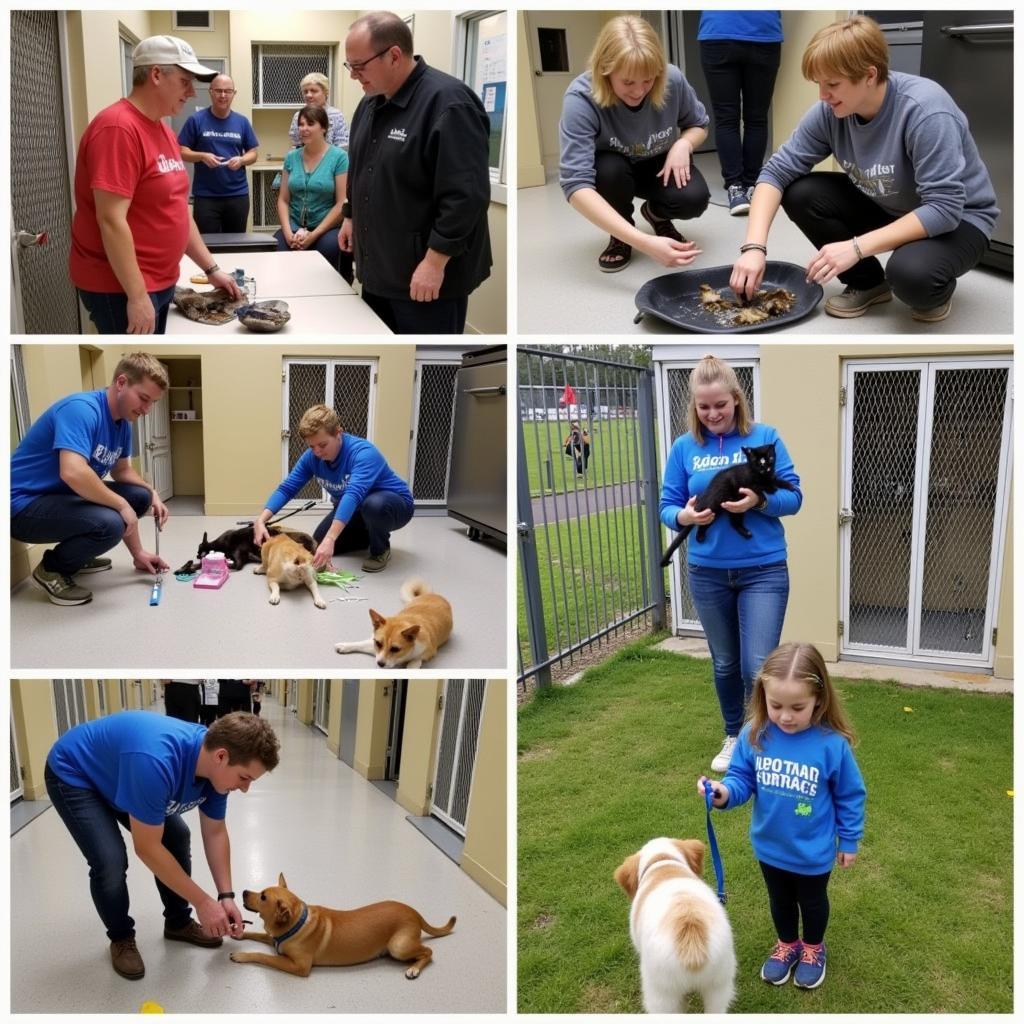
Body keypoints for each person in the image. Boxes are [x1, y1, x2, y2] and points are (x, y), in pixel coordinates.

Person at [731, 15, 999, 322]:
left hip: (961, 219)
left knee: (912, 277)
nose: (822, 96)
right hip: (895, 205)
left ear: (869, 75)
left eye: (832, 84)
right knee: (800, 191)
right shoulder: (828, 112)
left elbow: (944, 208)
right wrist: (753, 247)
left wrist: (855, 248)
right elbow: (776, 172)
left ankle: (929, 283)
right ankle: (869, 283)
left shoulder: (926, 110)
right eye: (819, 84)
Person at [45, 710, 280, 981]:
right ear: (221, 757)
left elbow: (215, 832)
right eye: (245, 778)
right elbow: (147, 848)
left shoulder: (215, 773)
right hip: (76, 773)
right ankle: (121, 937)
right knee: (110, 860)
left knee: (177, 836)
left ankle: (178, 922)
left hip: (123, 773)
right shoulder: (156, 761)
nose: (245, 789)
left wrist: (225, 896)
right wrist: (203, 902)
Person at [659, 354, 802, 772]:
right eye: (704, 407)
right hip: (707, 573)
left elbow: (793, 498)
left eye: (720, 404)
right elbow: (668, 506)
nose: (713, 413)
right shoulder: (685, 447)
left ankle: (762, 740)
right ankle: (732, 735)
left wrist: (760, 500)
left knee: (758, 664)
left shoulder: (765, 437)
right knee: (725, 661)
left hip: (764, 570)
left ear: (737, 400)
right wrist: (685, 518)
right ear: (694, 407)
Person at [698, 642, 866, 990]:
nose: (785, 716)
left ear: (819, 699)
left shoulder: (831, 744)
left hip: (812, 851)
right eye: (776, 705)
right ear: (762, 696)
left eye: (797, 707)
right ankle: (788, 944)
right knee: (780, 900)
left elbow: (850, 795)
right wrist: (723, 794)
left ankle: (813, 948)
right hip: (770, 846)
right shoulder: (755, 734)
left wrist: (848, 840)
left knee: (813, 901)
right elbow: (741, 779)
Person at [69, 35, 243, 334]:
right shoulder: (117, 128)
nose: (191, 93)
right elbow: (111, 220)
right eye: (185, 81)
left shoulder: (162, 129)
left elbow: (176, 209)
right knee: (137, 363)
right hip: (121, 287)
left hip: (160, 281)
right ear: (156, 75)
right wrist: (137, 296)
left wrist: (211, 269)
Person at [339, 11, 492, 334]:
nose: (353, 75)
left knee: (430, 371)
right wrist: (351, 215)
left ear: (394, 55)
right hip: (379, 270)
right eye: (349, 66)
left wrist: (435, 262)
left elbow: (466, 196)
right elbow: (361, 167)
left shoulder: (449, 103)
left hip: (427, 278)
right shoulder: (369, 105)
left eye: (359, 66)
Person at [11, 353, 172, 607]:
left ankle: (78, 554)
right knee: (111, 523)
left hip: (61, 495)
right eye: (143, 398)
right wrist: (121, 505)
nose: (146, 409)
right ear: (121, 383)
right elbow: (72, 472)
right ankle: (51, 570)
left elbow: (122, 472)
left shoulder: (122, 423)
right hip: (22, 506)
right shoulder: (81, 410)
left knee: (139, 497)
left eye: (153, 402)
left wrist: (151, 493)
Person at [559, 15, 709, 273]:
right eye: (627, 82)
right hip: (613, 171)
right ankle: (621, 232)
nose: (639, 91)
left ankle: (657, 215)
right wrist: (644, 242)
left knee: (693, 199)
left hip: (658, 163)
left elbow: (699, 125)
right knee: (609, 170)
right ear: (605, 72)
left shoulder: (672, 78)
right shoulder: (580, 97)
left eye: (648, 81)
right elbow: (576, 185)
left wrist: (683, 144)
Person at [253, 403, 413, 574]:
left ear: (338, 433)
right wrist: (261, 520)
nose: (317, 452)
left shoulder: (363, 453)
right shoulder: (312, 458)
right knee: (318, 542)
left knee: (373, 506)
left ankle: (380, 550)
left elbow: (353, 494)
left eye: (322, 445)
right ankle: (369, 533)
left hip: (394, 505)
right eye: (311, 447)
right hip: (357, 509)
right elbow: (287, 488)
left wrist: (332, 538)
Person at [698, 11, 783, 215]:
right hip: (764, 31)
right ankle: (752, 184)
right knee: (757, 117)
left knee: (726, 118)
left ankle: (736, 188)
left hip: (718, 30)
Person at [275, 104, 352, 282]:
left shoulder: (339, 157)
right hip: (294, 224)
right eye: (301, 124)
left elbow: (342, 202)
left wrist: (314, 234)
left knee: (329, 249)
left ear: (323, 127)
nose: (304, 129)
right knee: (278, 248)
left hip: (326, 227)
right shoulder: (292, 157)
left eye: (310, 124)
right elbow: (283, 200)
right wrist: (287, 233)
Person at [178, 74, 260, 234]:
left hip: (237, 195)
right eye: (219, 91)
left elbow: (253, 153)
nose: (223, 95)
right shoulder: (196, 120)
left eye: (228, 91)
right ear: (211, 92)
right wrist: (202, 156)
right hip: (206, 196)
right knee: (209, 245)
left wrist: (242, 160)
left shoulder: (242, 122)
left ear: (234, 94)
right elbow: (181, 151)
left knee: (236, 245)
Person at [287, 72, 349, 149]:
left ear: (325, 92)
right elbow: (296, 145)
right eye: (305, 92)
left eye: (314, 91)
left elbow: (342, 145)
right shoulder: (298, 116)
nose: (308, 95)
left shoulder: (335, 115)